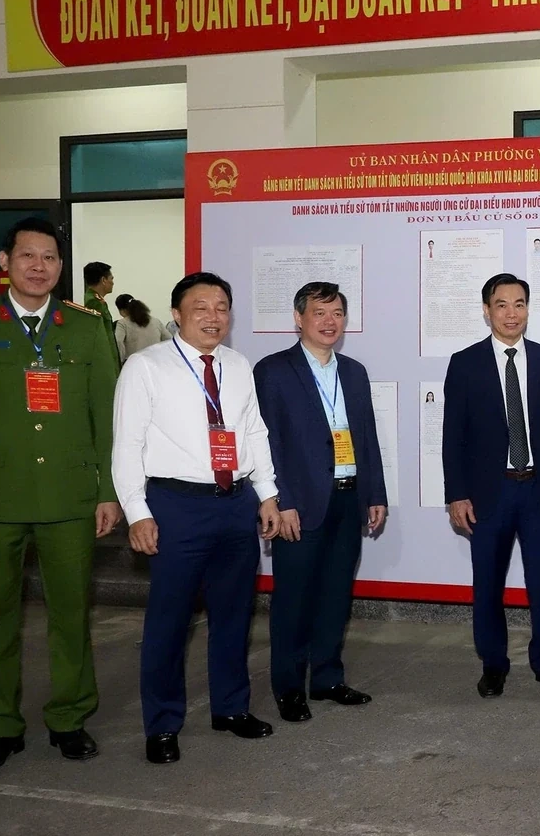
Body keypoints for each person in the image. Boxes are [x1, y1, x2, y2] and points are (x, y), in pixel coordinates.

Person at [0, 217, 121, 776]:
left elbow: (105, 416)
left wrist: (108, 490)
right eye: (29, 256)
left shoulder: (85, 327)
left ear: (62, 267)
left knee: (71, 615)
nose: (40, 267)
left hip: (68, 496)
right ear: (5, 264)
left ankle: (68, 717)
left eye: (51, 258)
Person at [113, 271, 283, 764]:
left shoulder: (238, 364)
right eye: (201, 307)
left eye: (222, 307)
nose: (214, 317)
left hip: (235, 504)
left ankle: (230, 708)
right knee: (170, 619)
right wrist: (137, 511)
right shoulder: (146, 367)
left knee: (234, 613)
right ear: (177, 314)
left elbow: (253, 432)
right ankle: (163, 724)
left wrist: (267, 494)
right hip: (175, 506)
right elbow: (127, 444)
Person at [254, 281, 388, 722]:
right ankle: (289, 687)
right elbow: (267, 443)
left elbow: (366, 439)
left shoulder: (354, 371)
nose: (330, 322)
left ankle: (328, 678)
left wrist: (376, 494)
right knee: (293, 599)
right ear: (298, 318)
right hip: (300, 505)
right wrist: (281, 500)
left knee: (335, 595)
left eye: (337, 314)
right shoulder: (273, 371)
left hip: (348, 500)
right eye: (319, 313)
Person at [442, 273, 540, 698]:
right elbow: (453, 436)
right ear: (487, 311)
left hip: (538, 491)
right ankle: (493, 664)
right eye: (501, 304)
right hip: (488, 495)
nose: (511, 313)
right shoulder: (464, 363)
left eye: (519, 304)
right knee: (487, 584)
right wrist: (456, 494)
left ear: (528, 309)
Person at [83, 261, 120, 364]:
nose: (112, 282)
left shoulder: (98, 301)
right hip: (103, 360)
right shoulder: (94, 303)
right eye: (111, 279)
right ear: (103, 280)